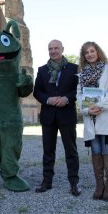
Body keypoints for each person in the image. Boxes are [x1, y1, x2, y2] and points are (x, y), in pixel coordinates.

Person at [33, 39, 81, 196]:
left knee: (71, 150)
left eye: (56, 48)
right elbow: (37, 91)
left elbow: (78, 90)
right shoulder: (41, 70)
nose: (53, 51)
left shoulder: (74, 69)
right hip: (48, 116)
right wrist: (48, 99)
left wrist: (67, 98)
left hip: (67, 114)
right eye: (50, 48)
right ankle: (47, 182)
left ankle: (74, 183)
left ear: (62, 49)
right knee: (48, 151)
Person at [77, 41, 108, 201]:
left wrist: (100, 106)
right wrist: (86, 109)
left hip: (106, 116)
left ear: (97, 52)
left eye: (91, 51)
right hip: (91, 118)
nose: (89, 54)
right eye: (86, 53)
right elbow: (79, 95)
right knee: (96, 151)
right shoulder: (82, 74)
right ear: (83, 56)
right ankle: (99, 185)